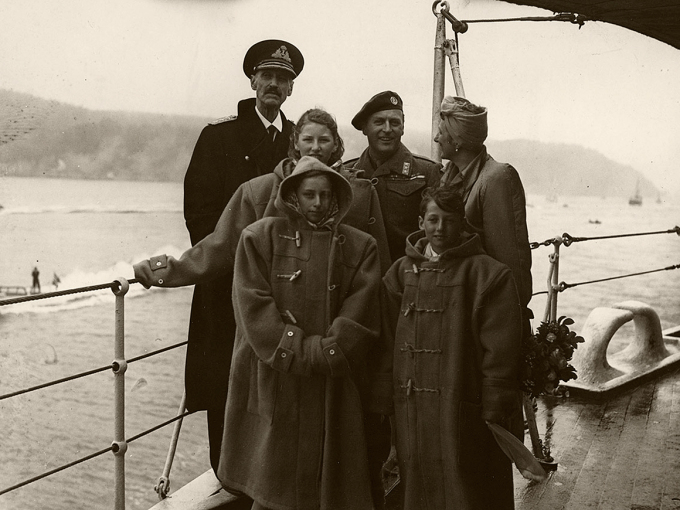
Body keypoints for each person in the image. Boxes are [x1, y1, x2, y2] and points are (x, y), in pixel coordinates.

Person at [135, 108, 391, 508]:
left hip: (334, 350)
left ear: (337, 146)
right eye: (308, 139)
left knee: (332, 466)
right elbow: (220, 249)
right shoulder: (256, 193)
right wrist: (169, 270)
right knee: (272, 461)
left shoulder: (358, 195)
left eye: (325, 140)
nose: (316, 148)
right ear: (295, 143)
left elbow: (375, 276)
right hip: (274, 351)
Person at [218, 156, 381, 510]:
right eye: (310, 194)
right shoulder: (259, 238)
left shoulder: (361, 246)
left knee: (331, 488)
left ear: (337, 198)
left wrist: (330, 351)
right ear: (293, 195)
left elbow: (362, 313)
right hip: (275, 378)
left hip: (332, 381)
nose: (318, 203)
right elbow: (252, 308)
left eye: (325, 195)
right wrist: (302, 351)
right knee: (271, 487)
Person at [181, 39, 303, 474]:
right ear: (252, 80)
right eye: (267, 75)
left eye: (283, 78)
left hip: (288, 285)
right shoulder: (218, 137)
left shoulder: (300, 142)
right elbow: (199, 215)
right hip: (228, 286)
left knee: (280, 381)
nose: (274, 84)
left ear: (291, 89)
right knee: (226, 385)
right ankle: (228, 480)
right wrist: (242, 261)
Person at [381, 185, 523, 510]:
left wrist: (496, 404)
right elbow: (387, 340)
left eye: (449, 220)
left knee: (467, 484)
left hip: (464, 406)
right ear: (421, 221)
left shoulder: (487, 275)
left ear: (462, 223)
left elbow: (500, 353)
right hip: (410, 405)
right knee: (414, 478)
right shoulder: (399, 274)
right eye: (433, 220)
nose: (440, 229)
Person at [435, 95, 532, 331]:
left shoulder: (497, 178)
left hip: (486, 315)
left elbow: (511, 265)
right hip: (458, 305)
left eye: (441, 132)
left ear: (457, 140)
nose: (436, 138)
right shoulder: (449, 176)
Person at [345, 90, 442, 263]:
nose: (387, 129)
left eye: (395, 123)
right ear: (365, 128)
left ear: (403, 127)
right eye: (379, 122)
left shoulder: (427, 173)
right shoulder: (347, 174)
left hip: (407, 276)